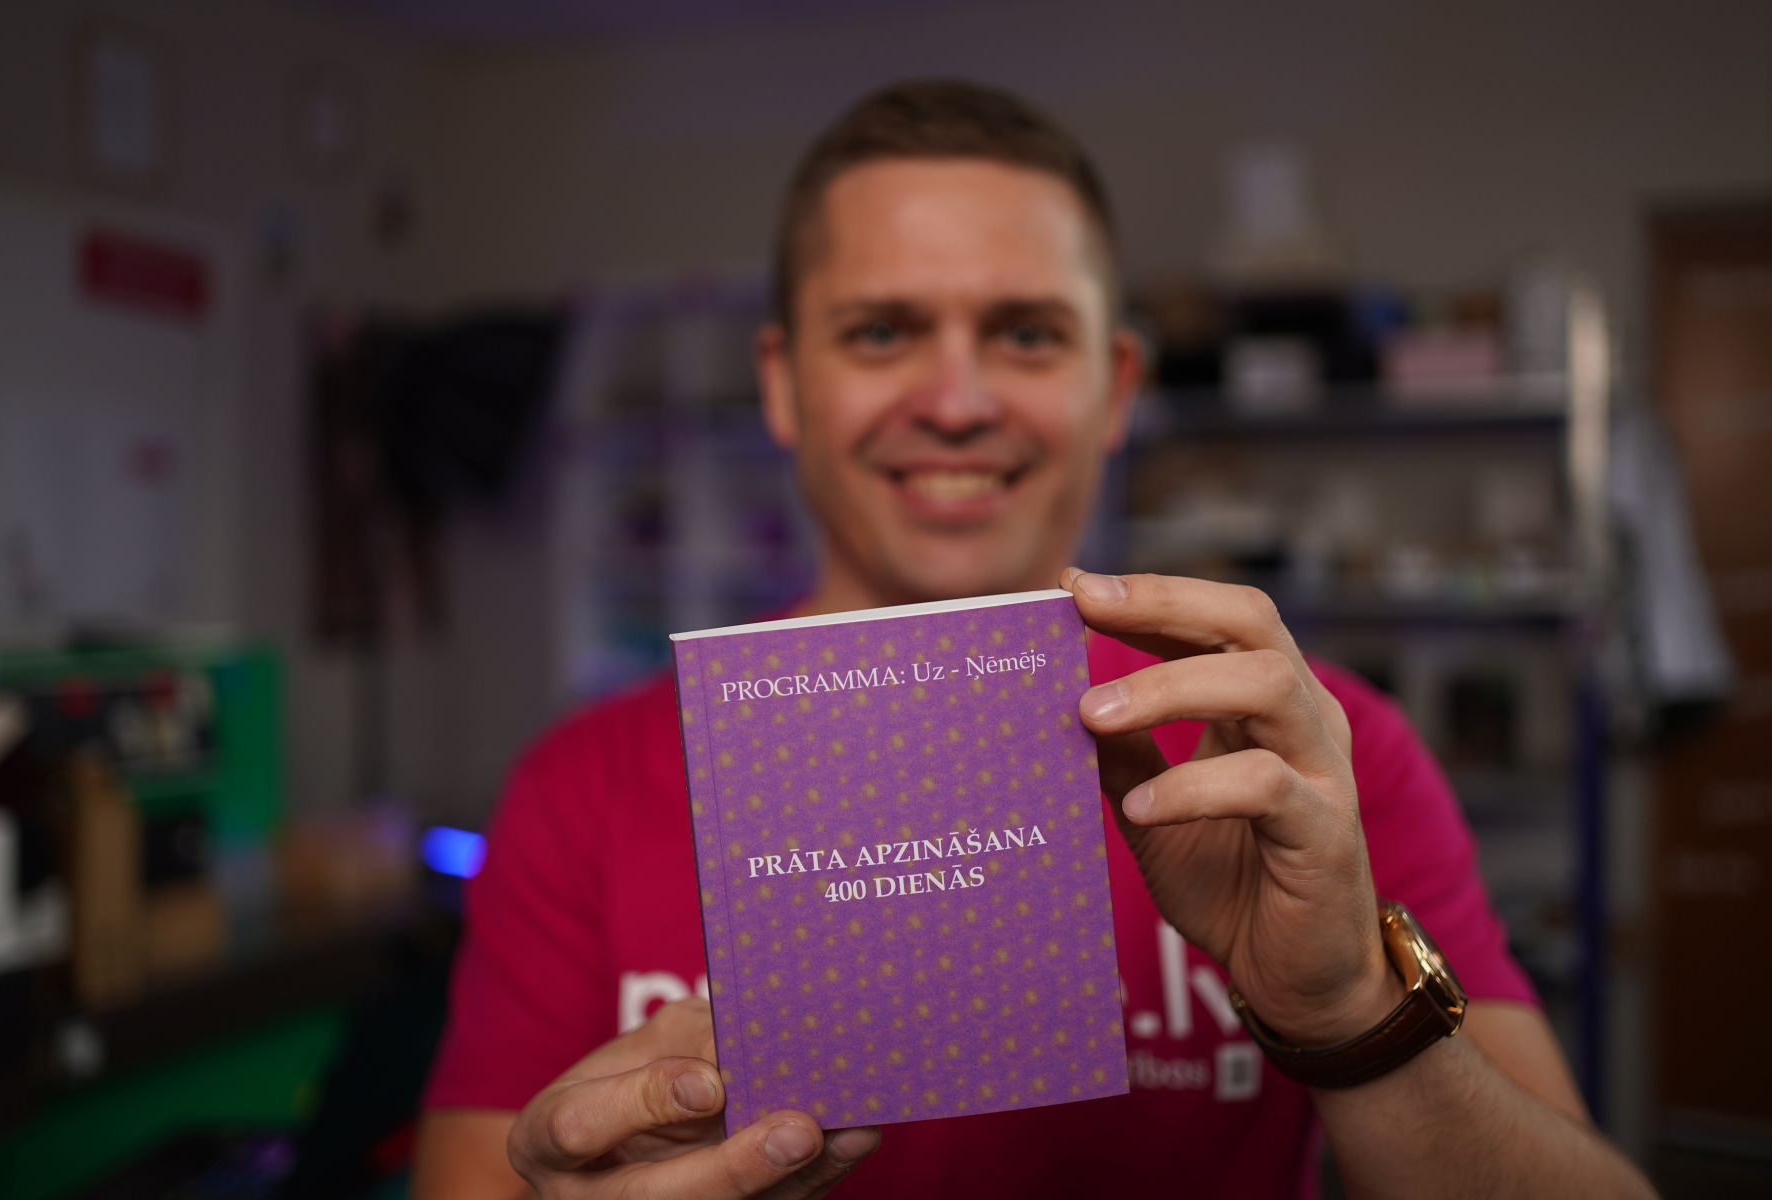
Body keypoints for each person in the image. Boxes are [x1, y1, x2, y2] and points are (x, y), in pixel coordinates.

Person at [411, 81, 1655, 1199]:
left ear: (1116, 388)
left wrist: (1345, 1014)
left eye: (1025, 334)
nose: (957, 403)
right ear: (785, 384)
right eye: (882, 331)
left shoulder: (1304, 752)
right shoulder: (584, 784)